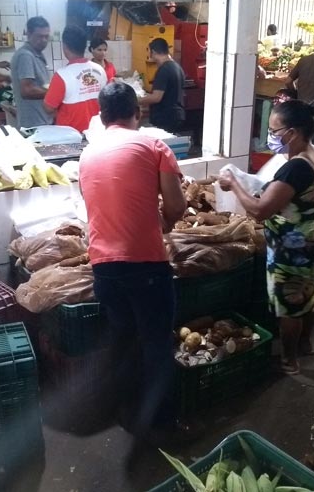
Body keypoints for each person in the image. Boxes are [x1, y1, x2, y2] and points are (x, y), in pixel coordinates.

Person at [79, 82, 187, 441]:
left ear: (101, 116)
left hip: (104, 268)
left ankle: (126, 411)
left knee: (124, 340)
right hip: (146, 266)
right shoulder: (154, 146)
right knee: (157, 342)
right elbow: (175, 207)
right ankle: (161, 420)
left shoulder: (87, 154)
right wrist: (165, 223)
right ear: (137, 113)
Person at [219, 99, 314, 374]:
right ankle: (307, 343)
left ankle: (289, 360)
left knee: (289, 304)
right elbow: (300, 195)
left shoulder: (296, 167)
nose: (270, 137)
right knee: (309, 292)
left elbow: (260, 211)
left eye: (274, 131)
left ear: (292, 132)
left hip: (293, 247)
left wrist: (233, 183)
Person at [44, 25, 107, 133]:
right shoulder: (100, 70)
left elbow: (48, 108)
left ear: (65, 46)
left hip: (71, 137)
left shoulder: (61, 75)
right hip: (96, 133)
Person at [10, 16, 53, 128]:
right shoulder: (26, 55)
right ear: (28, 34)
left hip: (41, 120)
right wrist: (55, 93)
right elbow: (27, 91)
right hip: (33, 124)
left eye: (46, 37)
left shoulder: (37, 53)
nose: (43, 40)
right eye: (39, 36)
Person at [139, 38, 185, 133]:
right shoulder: (177, 67)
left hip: (165, 117)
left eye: (149, 51)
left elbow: (156, 97)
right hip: (176, 115)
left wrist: (136, 100)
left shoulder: (164, 69)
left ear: (153, 52)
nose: (148, 54)